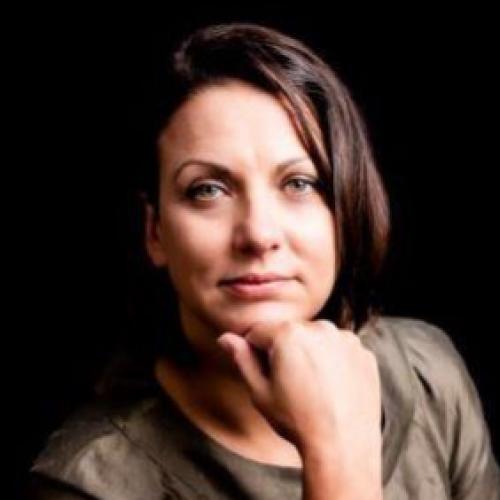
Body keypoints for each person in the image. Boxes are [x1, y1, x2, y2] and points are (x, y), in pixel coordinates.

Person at [27, 23, 499, 499]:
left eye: (299, 184)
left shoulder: (427, 374)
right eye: (208, 190)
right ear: (156, 232)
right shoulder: (90, 482)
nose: (258, 234)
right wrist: (335, 455)